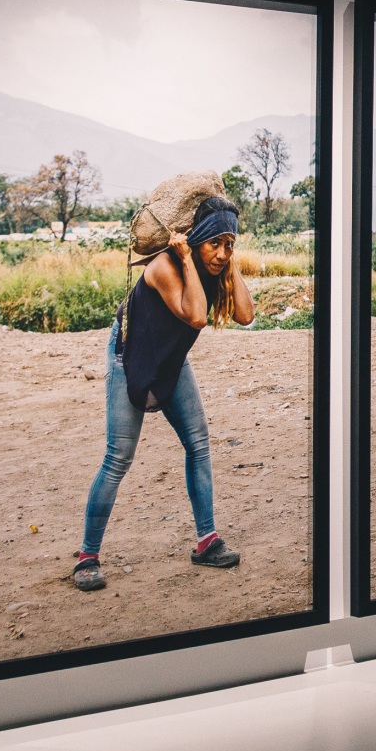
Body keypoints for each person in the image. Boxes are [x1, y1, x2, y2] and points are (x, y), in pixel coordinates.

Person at [74, 193, 253, 589]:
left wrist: (229, 257)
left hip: (172, 361)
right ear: (193, 241)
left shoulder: (216, 263)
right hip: (130, 358)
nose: (221, 254)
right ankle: (87, 557)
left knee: (199, 444)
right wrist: (189, 258)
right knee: (117, 457)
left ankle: (207, 541)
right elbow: (196, 316)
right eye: (215, 243)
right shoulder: (164, 267)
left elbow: (245, 314)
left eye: (229, 245)